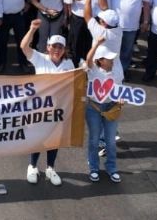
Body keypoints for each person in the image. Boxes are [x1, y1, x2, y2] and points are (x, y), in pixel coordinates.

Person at [21, 20, 74, 186]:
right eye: (54, 46)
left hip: (59, 109)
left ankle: (51, 168)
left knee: (54, 140)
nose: (57, 50)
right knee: (38, 138)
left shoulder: (69, 64)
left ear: (64, 49)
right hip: (39, 108)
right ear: (48, 47)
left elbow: (74, 83)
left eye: (60, 47)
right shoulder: (40, 58)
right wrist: (32, 29)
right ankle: (32, 166)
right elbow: (24, 47)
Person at [83, 36, 122, 183]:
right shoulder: (93, 70)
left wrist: (120, 99)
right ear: (100, 61)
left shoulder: (117, 69)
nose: (112, 61)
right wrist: (97, 45)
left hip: (111, 107)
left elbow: (121, 88)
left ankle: (112, 168)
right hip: (93, 108)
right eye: (108, 59)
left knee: (110, 141)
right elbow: (88, 60)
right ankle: (94, 168)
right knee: (94, 139)